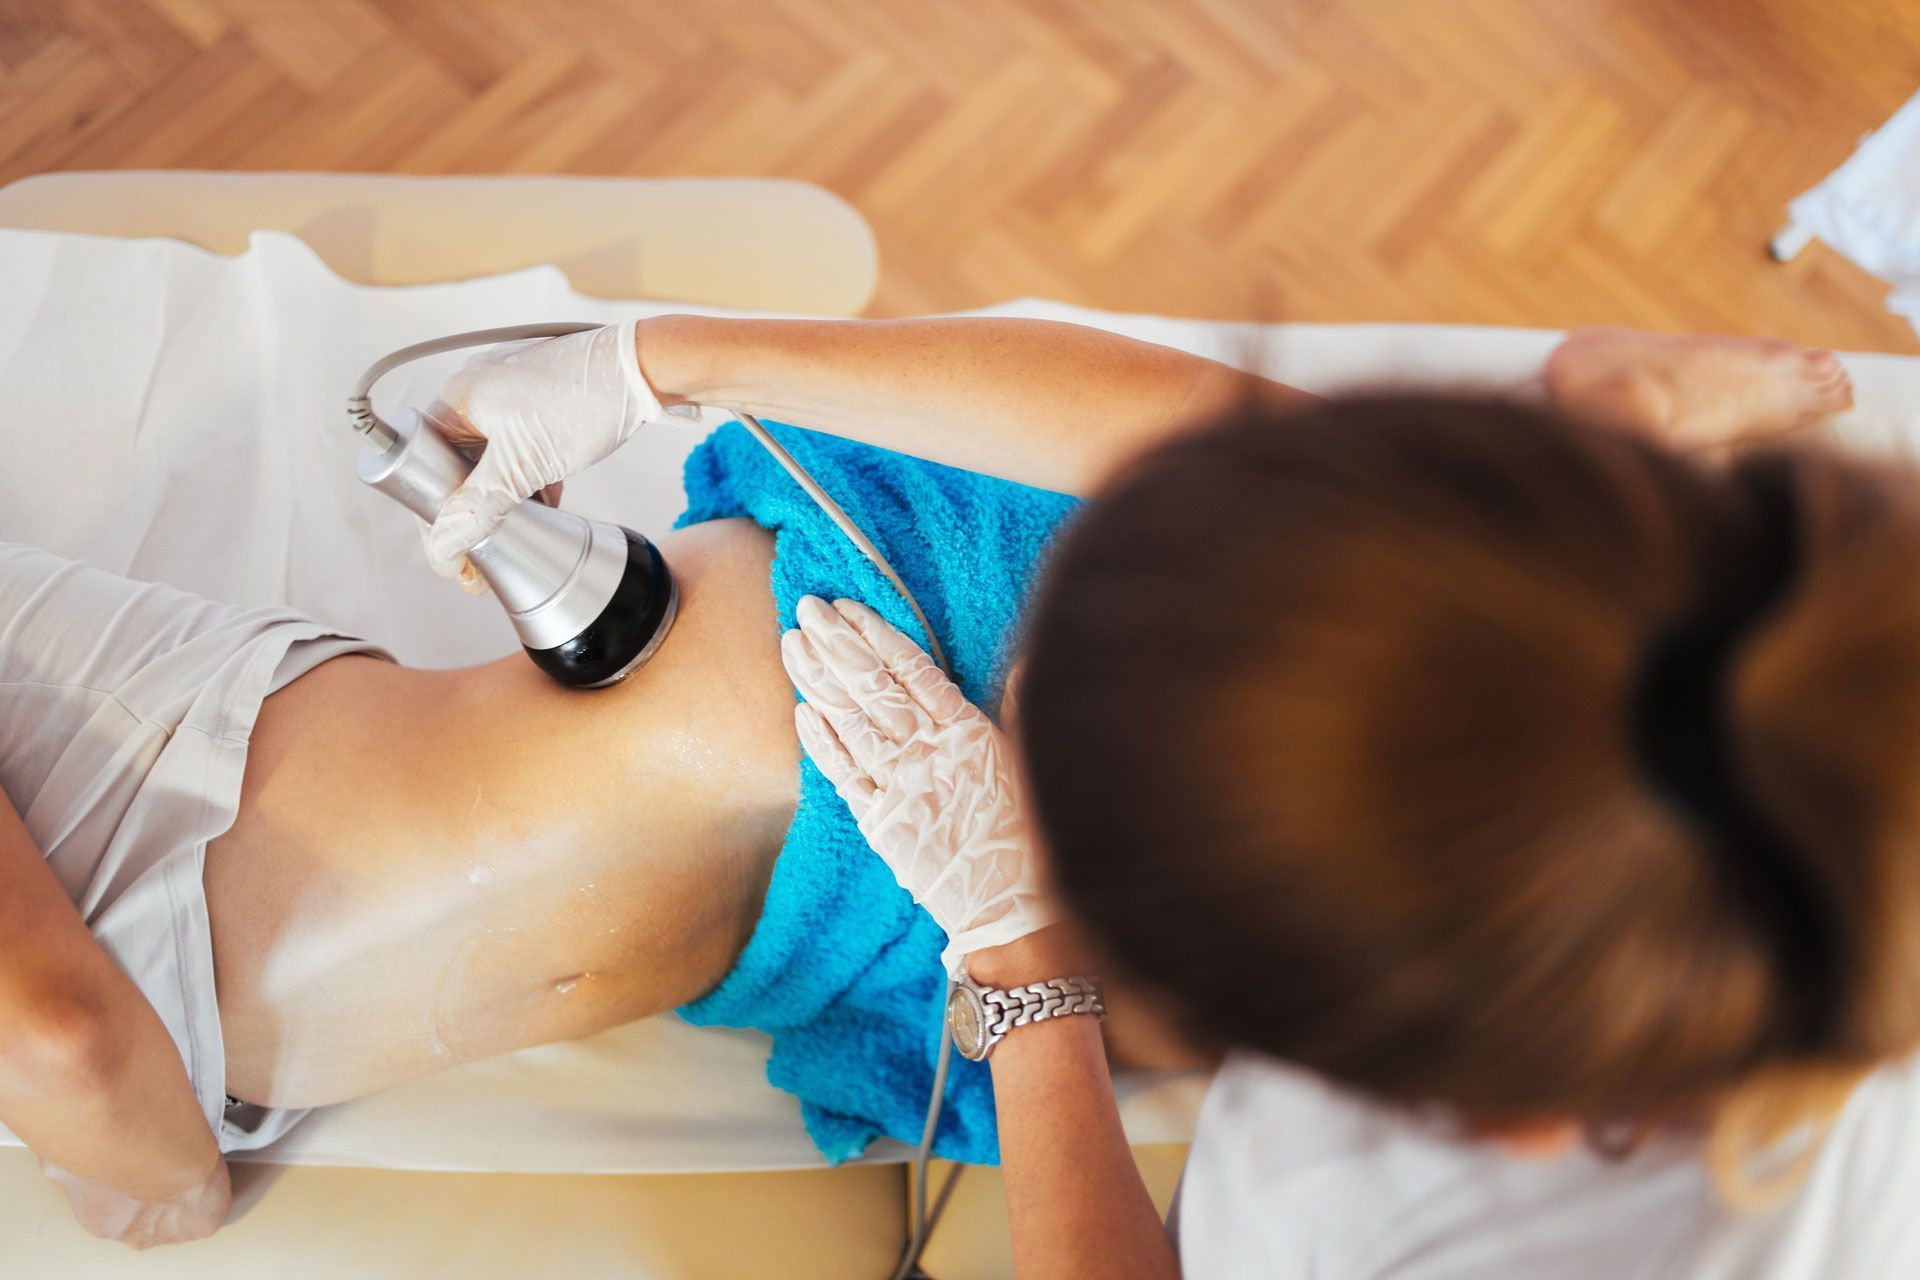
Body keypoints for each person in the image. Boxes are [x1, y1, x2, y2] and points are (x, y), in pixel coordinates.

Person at [0, 314, 1857, 1253]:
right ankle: (1585, 445)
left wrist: (1022, 946)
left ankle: (1581, 448)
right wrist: (656, 358)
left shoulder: (1393, 1181)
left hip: (832, 687)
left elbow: (66, 1047)